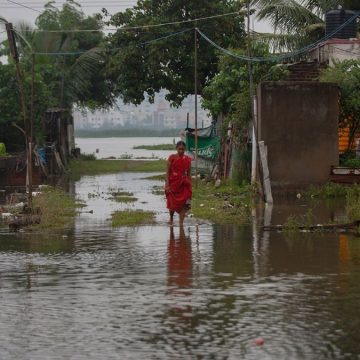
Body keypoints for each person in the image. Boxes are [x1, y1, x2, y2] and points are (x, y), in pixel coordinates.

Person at [165, 141, 192, 226]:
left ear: (185, 149)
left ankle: (181, 223)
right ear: (176, 149)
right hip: (173, 183)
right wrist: (167, 185)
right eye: (179, 149)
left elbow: (189, 173)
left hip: (184, 184)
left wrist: (190, 185)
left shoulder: (188, 159)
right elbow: (168, 172)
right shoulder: (171, 158)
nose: (181, 151)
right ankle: (171, 218)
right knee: (171, 202)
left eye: (183, 149)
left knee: (184, 203)